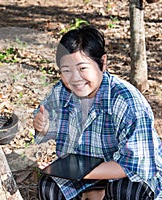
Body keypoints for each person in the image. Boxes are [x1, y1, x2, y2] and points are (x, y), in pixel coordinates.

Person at [33, 25, 162, 200]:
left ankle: (97, 194)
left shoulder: (126, 101)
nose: (75, 78)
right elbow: (47, 127)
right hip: (82, 172)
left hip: (120, 172)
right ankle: (94, 193)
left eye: (82, 68)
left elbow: (137, 166)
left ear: (102, 63)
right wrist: (44, 126)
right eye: (66, 71)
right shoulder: (61, 92)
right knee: (49, 187)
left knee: (130, 192)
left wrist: (81, 172)